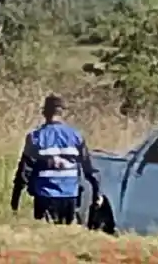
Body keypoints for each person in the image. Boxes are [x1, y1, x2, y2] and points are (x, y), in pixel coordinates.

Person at [10, 94, 102, 224]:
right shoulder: (76, 136)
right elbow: (89, 168)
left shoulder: (35, 137)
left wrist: (15, 200)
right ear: (62, 112)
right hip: (70, 193)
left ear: (44, 112)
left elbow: (24, 171)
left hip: (44, 194)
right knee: (65, 235)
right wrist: (97, 193)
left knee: (46, 236)